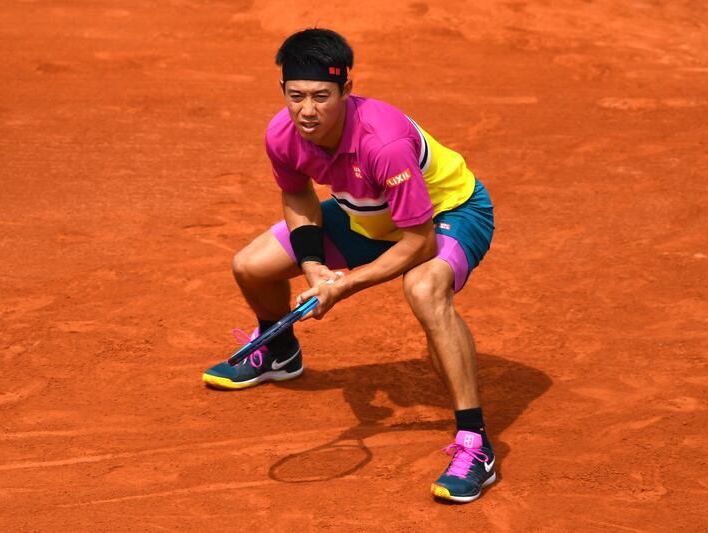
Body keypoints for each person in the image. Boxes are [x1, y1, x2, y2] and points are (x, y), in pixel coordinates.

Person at [202, 28, 496, 503]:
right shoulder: (282, 132)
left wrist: (343, 286)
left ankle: (475, 444)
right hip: (366, 213)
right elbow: (297, 193)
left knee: (424, 291)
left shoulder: (384, 143)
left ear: (346, 91)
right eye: (296, 96)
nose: (308, 110)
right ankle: (279, 351)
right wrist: (315, 266)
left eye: (321, 96)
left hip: (447, 213)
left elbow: (418, 244)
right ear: (283, 92)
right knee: (251, 265)